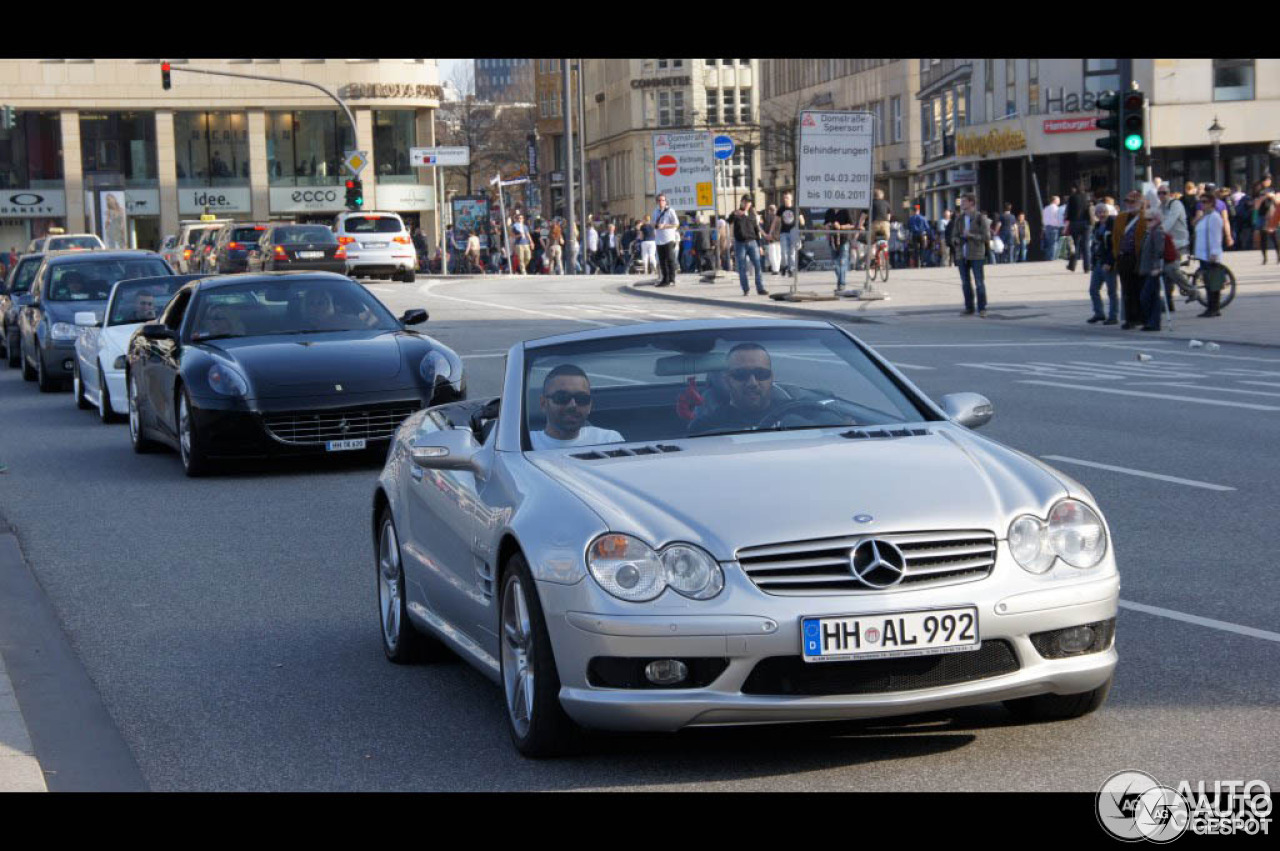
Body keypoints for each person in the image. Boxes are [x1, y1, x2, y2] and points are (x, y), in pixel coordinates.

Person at [687, 343, 784, 434]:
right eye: (741, 375)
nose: (752, 383)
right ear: (727, 380)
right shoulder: (706, 427)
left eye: (761, 374)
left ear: (771, 377)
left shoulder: (794, 414)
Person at [530, 365, 624, 450]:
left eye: (582, 398)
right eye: (562, 397)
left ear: (590, 405)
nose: (572, 405)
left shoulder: (609, 441)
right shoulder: (523, 444)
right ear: (543, 403)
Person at [1112, 190, 1148, 329]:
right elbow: (1115, 238)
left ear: (1141, 203)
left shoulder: (1146, 217)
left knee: (1141, 289)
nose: (1129, 204)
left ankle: (1142, 317)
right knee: (1127, 290)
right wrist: (1117, 255)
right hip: (1124, 257)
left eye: (1133, 201)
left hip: (1139, 258)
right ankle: (1130, 319)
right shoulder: (1120, 218)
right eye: (1127, 201)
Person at [951, 193, 991, 317]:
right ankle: (969, 307)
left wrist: (971, 235)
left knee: (979, 282)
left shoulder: (980, 218)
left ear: (971, 203)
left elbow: (986, 237)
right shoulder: (959, 218)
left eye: (964, 201)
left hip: (976, 254)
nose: (961, 204)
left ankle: (982, 308)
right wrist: (956, 240)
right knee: (965, 283)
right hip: (962, 255)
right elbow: (953, 236)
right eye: (961, 201)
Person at [1193, 192, 1226, 318]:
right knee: (1208, 282)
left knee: (1213, 282)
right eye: (1201, 202)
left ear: (1212, 203)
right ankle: (1211, 307)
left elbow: (1216, 237)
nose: (1202, 204)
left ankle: (1214, 308)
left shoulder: (1214, 217)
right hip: (1202, 254)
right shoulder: (1205, 217)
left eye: (1205, 201)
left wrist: (1214, 253)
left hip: (1210, 255)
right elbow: (1196, 227)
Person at [1158, 184, 1189, 311]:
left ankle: (1192, 290)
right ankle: (1168, 303)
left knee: (1171, 269)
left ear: (1169, 193)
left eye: (1164, 193)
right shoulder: (1160, 207)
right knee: (1165, 274)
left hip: (1179, 243)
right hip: (1168, 244)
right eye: (1159, 193)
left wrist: (1159, 232)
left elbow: (1169, 222)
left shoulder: (1175, 204)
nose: (1161, 196)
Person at [1138, 207, 1169, 332]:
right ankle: (1150, 322)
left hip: (1154, 270)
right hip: (1147, 269)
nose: (1147, 222)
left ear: (1157, 220)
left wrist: (1157, 267)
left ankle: (1154, 322)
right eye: (1146, 220)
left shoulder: (1157, 232)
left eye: (1149, 219)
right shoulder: (1150, 231)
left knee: (1148, 296)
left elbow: (1159, 251)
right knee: (1151, 296)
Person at [1086, 203, 1118, 325]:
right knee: (1093, 289)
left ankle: (1113, 315)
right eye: (1098, 212)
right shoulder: (1097, 226)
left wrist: (1110, 262)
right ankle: (1099, 313)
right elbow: (1094, 244)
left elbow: (1114, 245)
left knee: (1111, 291)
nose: (1101, 214)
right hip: (1098, 262)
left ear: (1108, 212)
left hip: (1108, 263)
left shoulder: (1112, 225)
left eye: (1103, 211)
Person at [729, 195, 767, 296]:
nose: (747, 204)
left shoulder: (752, 214)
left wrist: (760, 246)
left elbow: (756, 230)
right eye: (745, 202)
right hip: (740, 243)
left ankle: (760, 288)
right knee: (742, 267)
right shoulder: (736, 213)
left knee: (758, 265)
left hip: (752, 242)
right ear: (741, 202)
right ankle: (745, 289)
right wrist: (734, 214)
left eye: (749, 202)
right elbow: (728, 221)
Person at [653, 194, 680, 287]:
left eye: (663, 200)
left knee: (670, 259)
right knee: (662, 261)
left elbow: (676, 224)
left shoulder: (670, 211)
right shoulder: (655, 211)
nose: (661, 202)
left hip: (669, 238)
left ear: (666, 201)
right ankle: (665, 279)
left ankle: (672, 279)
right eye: (659, 200)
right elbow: (654, 223)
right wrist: (655, 226)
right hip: (659, 239)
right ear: (657, 202)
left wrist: (664, 226)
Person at [824, 206, 854, 292]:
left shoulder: (845, 210)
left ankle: (841, 284)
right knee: (835, 263)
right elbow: (825, 225)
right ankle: (841, 282)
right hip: (832, 240)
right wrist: (828, 226)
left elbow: (852, 225)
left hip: (844, 239)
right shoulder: (829, 211)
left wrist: (840, 226)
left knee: (842, 261)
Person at [1065, 185, 1092, 272]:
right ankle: (1087, 267)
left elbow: (1067, 212)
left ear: (1075, 189)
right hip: (1087, 223)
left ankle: (1072, 266)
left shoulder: (1072, 198)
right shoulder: (1087, 197)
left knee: (1075, 245)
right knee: (1086, 245)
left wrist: (1067, 222)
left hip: (1075, 223)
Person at [777, 192, 804, 276]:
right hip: (784, 232)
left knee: (792, 253)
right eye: (784, 198)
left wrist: (801, 231)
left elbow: (802, 220)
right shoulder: (781, 209)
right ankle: (784, 266)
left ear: (791, 199)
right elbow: (775, 221)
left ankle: (791, 269)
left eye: (787, 198)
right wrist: (771, 232)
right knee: (784, 252)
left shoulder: (796, 208)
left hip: (794, 232)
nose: (785, 199)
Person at [762, 203, 781, 274]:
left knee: (772, 254)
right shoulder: (779, 217)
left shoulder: (768, 217)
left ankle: (775, 269)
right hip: (779, 238)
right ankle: (777, 269)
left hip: (771, 238)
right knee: (778, 254)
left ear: (769, 210)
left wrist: (766, 235)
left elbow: (766, 228)